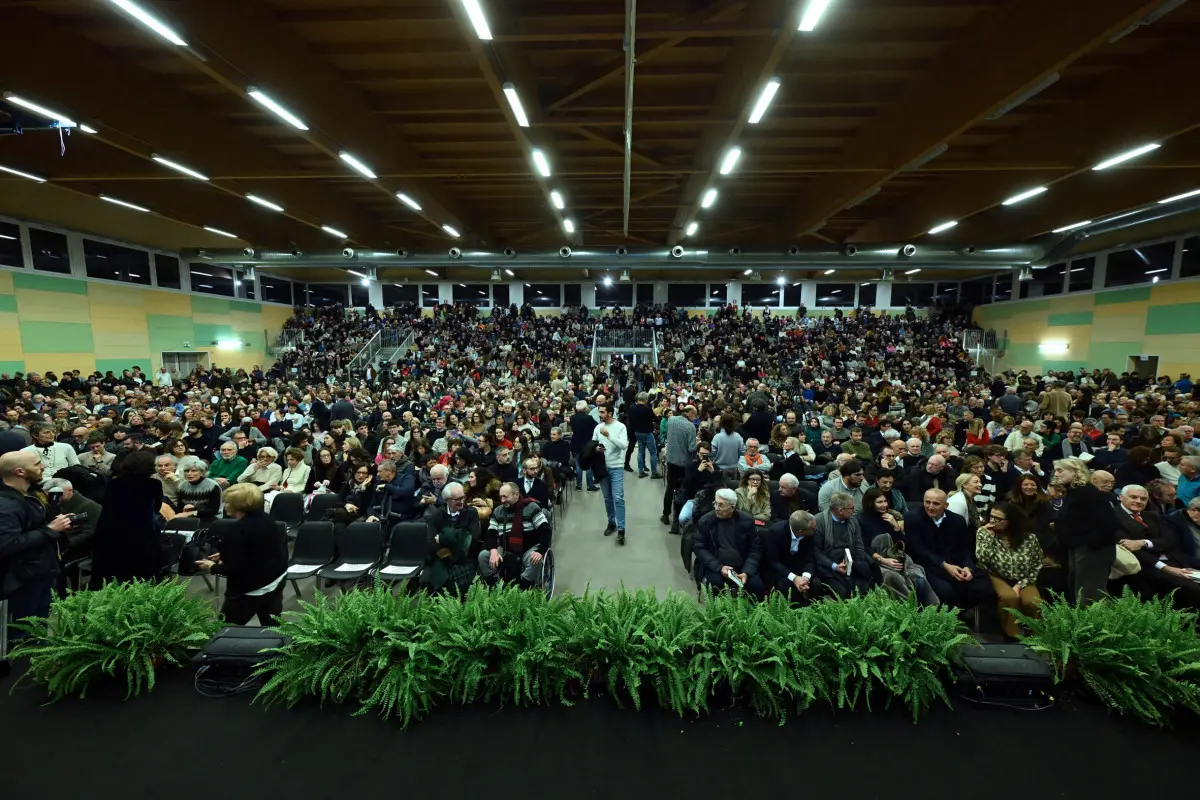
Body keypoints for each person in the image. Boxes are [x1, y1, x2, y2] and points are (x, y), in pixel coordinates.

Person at [0, 451, 73, 637]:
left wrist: (56, 524)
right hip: (23, 580)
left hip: (39, 572)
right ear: (20, 471)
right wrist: (50, 529)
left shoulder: (30, 493)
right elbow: (7, 545)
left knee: (39, 629)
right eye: (36, 464)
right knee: (25, 635)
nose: (43, 466)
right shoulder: (7, 504)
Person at [194, 483, 288, 626]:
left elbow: (237, 569)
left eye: (227, 502)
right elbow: (260, 550)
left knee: (225, 629)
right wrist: (228, 552)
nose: (224, 506)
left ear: (238, 505)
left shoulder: (239, 530)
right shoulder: (267, 520)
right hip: (275, 581)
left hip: (250, 589)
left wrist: (212, 567)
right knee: (272, 628)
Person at [905, 489, 995, 609]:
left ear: (946, 505)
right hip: (929, 565)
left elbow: (965, 548)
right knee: (946, 590)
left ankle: (965, 613)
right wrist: (944, 564)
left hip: (956, 563)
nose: (930, 507)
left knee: (985, 586)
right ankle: (952, 615)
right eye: (927, 502)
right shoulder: (912, 518)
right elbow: (917, 549)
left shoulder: (957, 520)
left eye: (936, 504)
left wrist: (967, 567)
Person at [90, 450, 166, 584]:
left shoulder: (112, 484)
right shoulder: (153, 484)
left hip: (111, 532)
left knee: (112, 575)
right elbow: (156, 508)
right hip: (141, 533)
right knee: (140, 576)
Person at [1052, 457, 1118, 605]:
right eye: (1055, 470)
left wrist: (1088, 545)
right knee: (1080, 593)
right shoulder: (1075, 492)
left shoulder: (1087, 493)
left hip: (1093, 550)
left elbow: (1110, 522)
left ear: (1075, 471)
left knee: (1089, 596)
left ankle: (1092, 622)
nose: (1056, 474)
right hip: (1080, 548)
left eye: (1060, 470)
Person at [976, 502, 1044, 640]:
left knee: (1033, 602)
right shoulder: (984, 532)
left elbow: (1037, 564)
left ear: (1011, 521)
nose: (993, 521)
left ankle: (1035, 637)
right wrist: (989, 537)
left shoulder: (1029, 538)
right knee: (1009, 598)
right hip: (997, 575)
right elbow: (982, 558)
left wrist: (1020, 585)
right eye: (991, 517)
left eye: (998, 519)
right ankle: (1012, 636)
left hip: (1024, 578)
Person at [692, 488, 764, 598]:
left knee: (756, 586)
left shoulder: (746, 520)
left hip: (742, 567)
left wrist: (747, 571)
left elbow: (755, 549)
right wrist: (719, 567)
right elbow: (699, 548)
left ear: (732, 507)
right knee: (715, 585)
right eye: (715, 503)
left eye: (721, 505)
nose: (717, 508)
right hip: (716, 567)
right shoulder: (706, 521)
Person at [478, 482, 552, 588]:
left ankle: (522, 588)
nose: (502, 500)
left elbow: (545, 530)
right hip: (505, 548)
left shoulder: (531, 507)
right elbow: (491, 533)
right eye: (501, 497)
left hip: (527, 548)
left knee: (535, 561)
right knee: (483, 556)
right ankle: (494, 586)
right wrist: (493, 550)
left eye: (505, 497)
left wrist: (540, 551)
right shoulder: (498, 511)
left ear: (516, 494)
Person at [420, 481, 480, 595]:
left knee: (458, 582)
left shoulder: (471, 513)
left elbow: (472, 540)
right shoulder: (436, 515)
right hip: (441, 558)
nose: (462, 501)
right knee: (425, 581)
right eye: (457, 499)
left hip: (465, 558)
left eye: (463, 497)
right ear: (447, 500)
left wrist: (444, 538)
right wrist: (459, 539)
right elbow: (431, 544)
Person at [813, 492, 874, 598]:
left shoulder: (853, 521)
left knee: (865, 586)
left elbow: (859, 545)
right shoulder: (819, 521)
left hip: (851, 562)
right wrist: (834, 566)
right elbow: (816, 552)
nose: (854, 510)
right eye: (851, 508)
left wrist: (856, 563)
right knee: (843, 592)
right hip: (829, 565)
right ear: (840, 510)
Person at [764, 510, 821, 604]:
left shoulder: (810, 533)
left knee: (816, 584)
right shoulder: (775, 532)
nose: (816, 529)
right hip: (782, 569)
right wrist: (794, 578)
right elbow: (773, 561)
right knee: (787, 588)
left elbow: (811, 557)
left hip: (801, 567)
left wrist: (805, 577)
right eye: (813, 528)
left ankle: (814, 609)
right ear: (800, 531)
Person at [593, 404, 628, 544]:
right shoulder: (597, 427)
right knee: (607, 498)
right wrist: (596, 449)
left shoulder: (620, 427)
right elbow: (593, 443)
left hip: (616, 466)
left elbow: (623, 445)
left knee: (618, 498)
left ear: (610, 413)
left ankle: (621, 529)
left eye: (602, 412)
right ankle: (611, 522)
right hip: (602, 467)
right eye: (599, 412)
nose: (599, 414)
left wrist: (609, 436)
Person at [662, 404, 698, 525]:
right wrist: (697, 443)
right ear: (690, 413)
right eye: (694, 415)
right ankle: (679, 517)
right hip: (684, 463)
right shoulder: (691, 427)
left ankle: (665, 514)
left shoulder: (671, 420)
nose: (695, 418)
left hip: (671, 460)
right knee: (683, 489)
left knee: (670, 488)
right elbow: (691, 448)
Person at [628, 392, 660, 479]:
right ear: (645, 400)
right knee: (653, 453)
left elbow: (630, 420)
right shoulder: (648, 409)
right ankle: (654, 473)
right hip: (648, 433)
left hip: (638, 432)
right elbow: (655, 419)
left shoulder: (632, 409)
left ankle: (641, 471)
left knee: (640, 452)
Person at [569, 400, 598, 492]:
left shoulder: (572, 418)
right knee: (589, 466)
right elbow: (596, 426)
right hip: (587, 444)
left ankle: (579, 485)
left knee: (578, 465)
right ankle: (590, 486)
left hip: (576, 443)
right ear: (585, 408)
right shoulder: (589, 418)